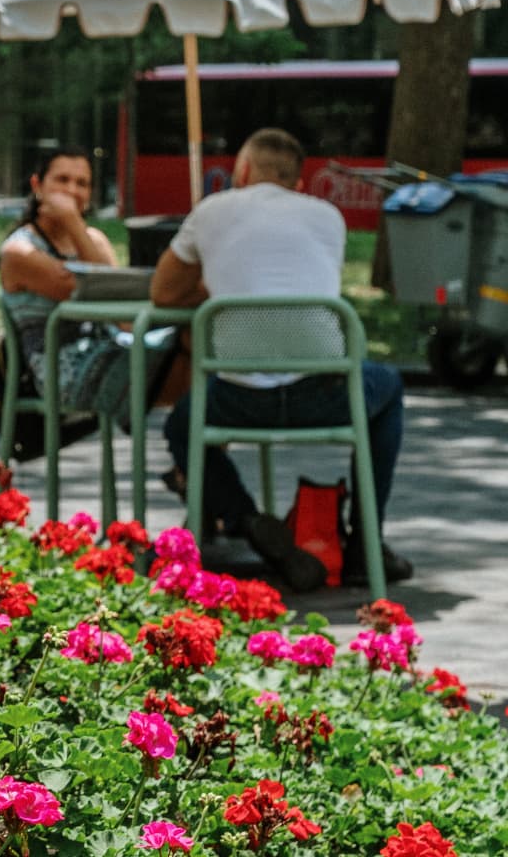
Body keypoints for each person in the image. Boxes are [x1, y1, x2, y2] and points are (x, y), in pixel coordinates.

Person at [152, 127, 411, 590]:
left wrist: (213, 290)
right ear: (299, 182)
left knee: (181, 426)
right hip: (325, 396)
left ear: (244, 171)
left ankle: (250, 522)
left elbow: (163, 292)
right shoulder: (329, 216)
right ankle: (364, 543)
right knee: (387, 384)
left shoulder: (211, 210)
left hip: (235, 399)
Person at [0, 146, 170, 422]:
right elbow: (96, 295)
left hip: (112, 349)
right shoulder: (19, 252)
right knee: (189, 367)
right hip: (66, 375)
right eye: (62, 180)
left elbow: (122, 316)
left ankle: (189, 457)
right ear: (37, 186)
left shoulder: (93, 240)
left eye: (82, 184)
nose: (72, 191)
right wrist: (74, 222)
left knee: (192, 349)